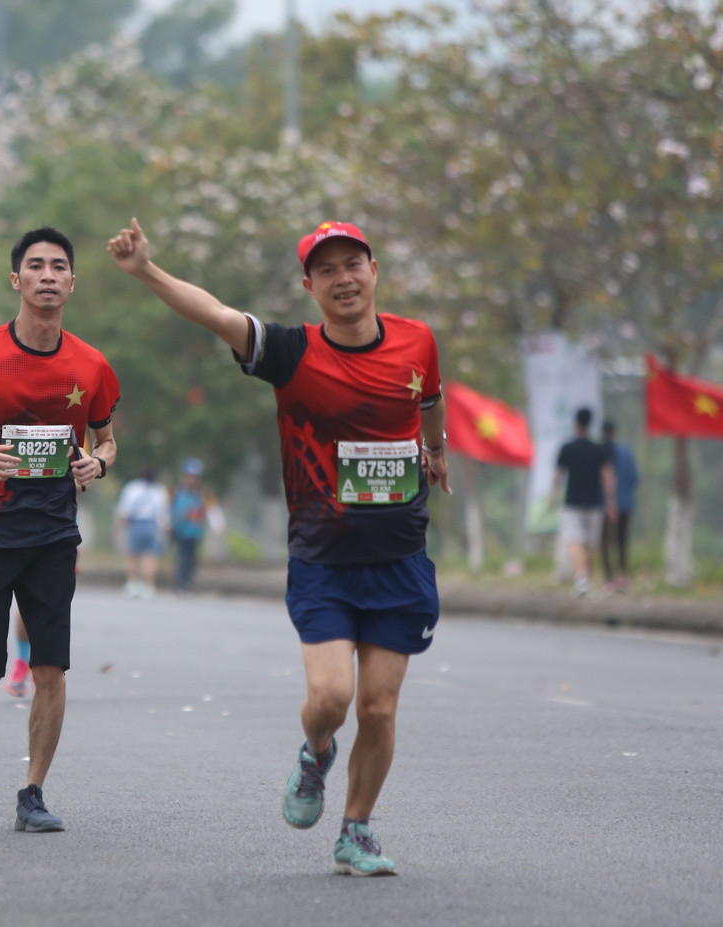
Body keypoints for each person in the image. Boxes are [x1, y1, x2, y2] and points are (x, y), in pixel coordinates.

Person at [109, 217, 450, 876]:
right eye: (327, 270)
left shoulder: (417, 340)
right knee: (331, 699)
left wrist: (434, 450)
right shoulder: (292, 352)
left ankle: (356, 829)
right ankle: (315, 750)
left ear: (373, 271)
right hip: (323, 559)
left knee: (379, 705)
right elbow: (213, 313)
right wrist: (147, 270)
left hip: (401, 556)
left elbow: (430, 398)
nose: (343, 278)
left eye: (353, 264)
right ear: (309, 285)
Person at [0, 226, 119, 834]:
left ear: (71, 282)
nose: (47, 275)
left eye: (58, 266)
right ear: (17, 279)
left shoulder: (92, 365)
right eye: (35, 266)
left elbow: (107, 438)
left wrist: (98, 463)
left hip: (53, 536)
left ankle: (32, 793)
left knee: (50, 667)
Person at [553, 407, 617, 597]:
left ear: (576, 424)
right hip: (594, 503)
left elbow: (557, 476)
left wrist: (551, 497)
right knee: (590, 544)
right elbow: (608, 478)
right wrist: (611, 503)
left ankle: (582, 579)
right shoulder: (598, 450)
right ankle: (584, 579)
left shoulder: (568, 448)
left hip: (572, 503)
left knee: (574, 542)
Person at [115, 466, 169, 598]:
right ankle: (148, 587)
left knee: (132, 556)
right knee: (149, 557)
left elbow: (124, 511)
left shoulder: (132, 488)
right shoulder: (160, 490)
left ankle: (133, 585)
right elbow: (163, 514)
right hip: (151, 525)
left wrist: (119, 529)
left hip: (135, 524)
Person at [599, 419, 639, 593]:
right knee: (622, 540)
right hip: (625, 503)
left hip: (603, 504)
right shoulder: (626, 452)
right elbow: (634, 478)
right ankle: (623, 576)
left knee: (605, 542)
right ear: (615, 432)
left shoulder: (600, 452)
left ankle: (608, 578)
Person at [170, 457, 209, 594]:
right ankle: (180, 583)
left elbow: (207, 512)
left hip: (194, 532)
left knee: (192, 559)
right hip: (181, 531)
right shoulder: (178, 492)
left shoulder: (202, 494)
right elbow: (172, 511)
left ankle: (189, 584)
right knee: (181, 558)